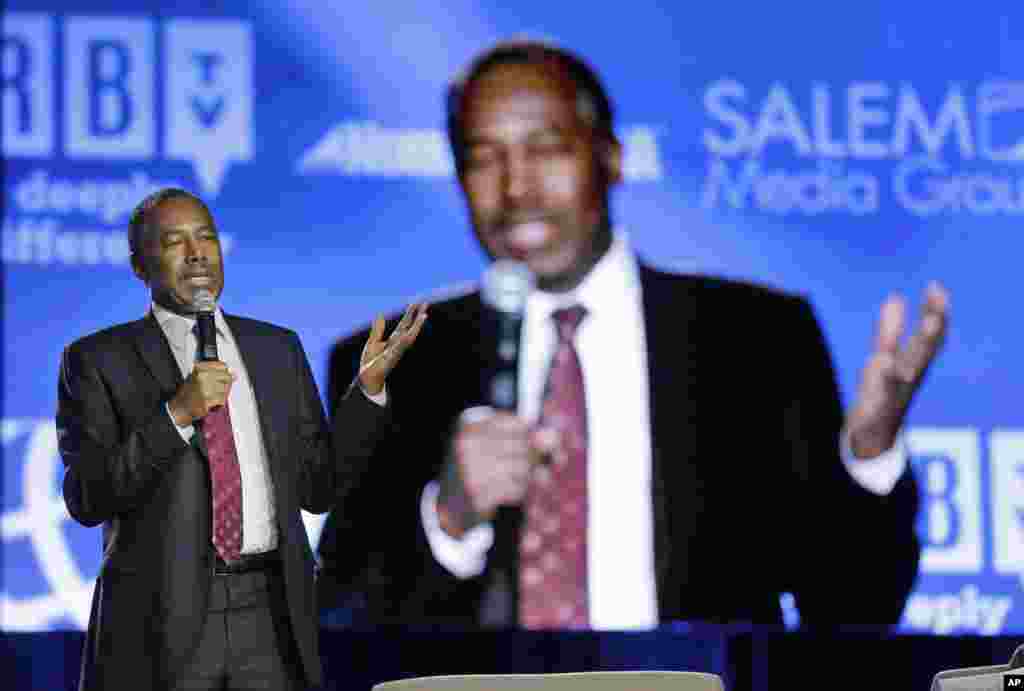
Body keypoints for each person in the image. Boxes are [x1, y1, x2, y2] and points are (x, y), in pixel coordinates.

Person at [316, 40, 947, 631]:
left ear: (610, 156)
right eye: (484, 159)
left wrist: (868, 456)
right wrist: (449, 520)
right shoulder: (390, 363)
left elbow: (852, 606)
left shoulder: (756, 340)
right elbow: (341, 625)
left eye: (545, 148)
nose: (515, 188)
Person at [57, 188, 427, 690]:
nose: (196, 254)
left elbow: (318, 490)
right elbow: (88, 497)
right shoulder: (98, 360)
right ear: (140, 265)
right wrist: (177, 413)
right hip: (160, 626)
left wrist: (366, 393)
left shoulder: (276, 348)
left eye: (206, 237)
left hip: (270, 614)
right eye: (174, 241)